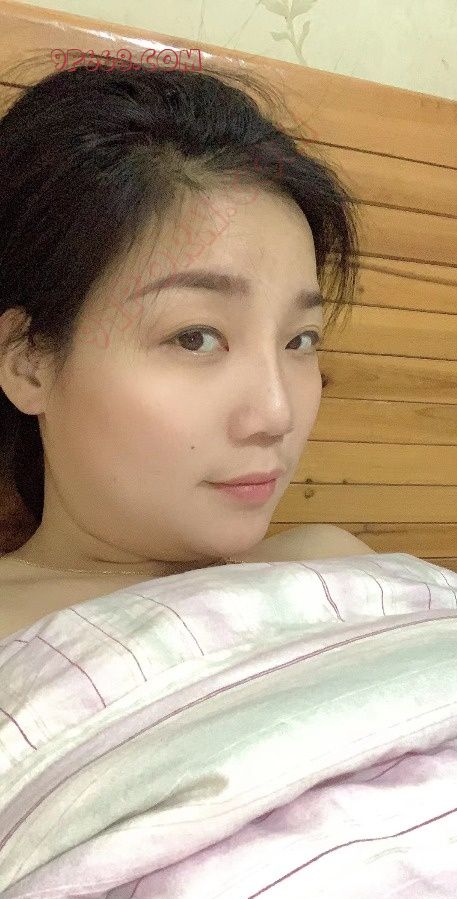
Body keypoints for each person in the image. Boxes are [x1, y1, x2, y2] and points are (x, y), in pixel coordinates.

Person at [0, 53, 360, 631]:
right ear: (28, 362)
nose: (277, 415)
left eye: (300, 339)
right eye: (197, 337)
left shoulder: (343, 570)